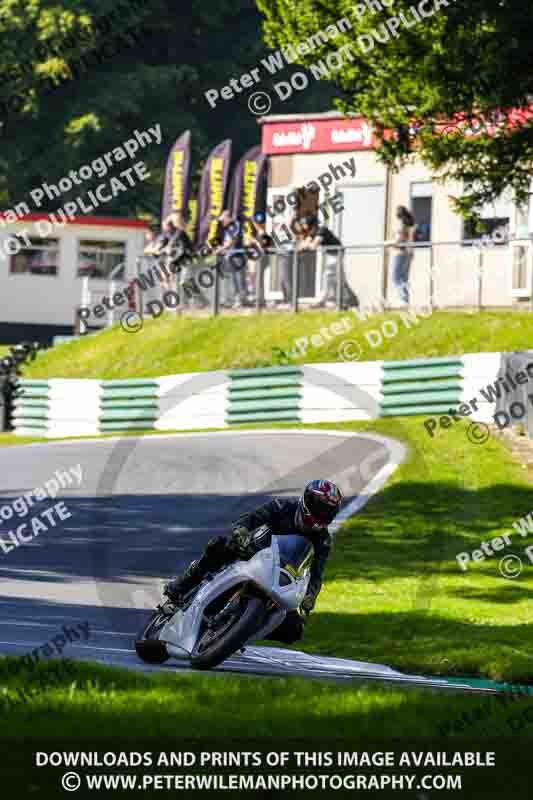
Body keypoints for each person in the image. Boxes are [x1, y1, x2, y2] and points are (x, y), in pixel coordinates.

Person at [163, 479, 343, 644]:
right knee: (218, 546)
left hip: (282, 577)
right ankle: (180, 588)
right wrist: (241, 530)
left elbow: (316, 573)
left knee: (295, 630)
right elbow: (250, 518)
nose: (321, 516)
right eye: (319, 508)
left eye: (328, 512)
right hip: (250, 553)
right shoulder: (283, 507)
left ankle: (241, 633)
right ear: (307, 501)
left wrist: (310, 596)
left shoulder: (323, 541)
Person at [214, 210, 248, 308]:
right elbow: (221, 240)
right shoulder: (226, 227)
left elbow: (232, 241)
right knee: (232, 278)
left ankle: (240, 299)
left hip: (237, 256)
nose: (222, 222)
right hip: (230, 256)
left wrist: (221, 249)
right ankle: (230, 299)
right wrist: (215, 247)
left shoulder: (235, 225)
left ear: (228, 218)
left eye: (223, 220)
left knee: (238, 278)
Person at [390, 205, 416, 305]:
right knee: (404, 278)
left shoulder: (401, 225)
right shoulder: (410, 225)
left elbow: (398, 240)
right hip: (409, 252)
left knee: (396, 277)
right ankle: (405, 300)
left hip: (400, 252)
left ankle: (403, 299)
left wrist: (386, 243)